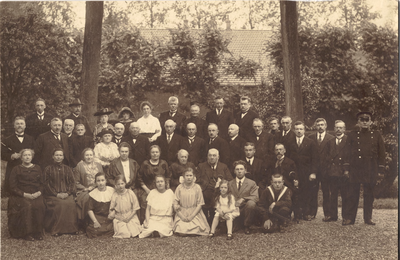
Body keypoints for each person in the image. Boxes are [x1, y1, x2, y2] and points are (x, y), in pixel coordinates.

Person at [343, 111, 385, 226]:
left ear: (371, 122)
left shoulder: (376, 134)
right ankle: (350, 219)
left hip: (370, 168)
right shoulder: (352, 134)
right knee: (352, 194)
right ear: (358, 122)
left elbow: (382, 153)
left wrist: (380, 170)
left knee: (369, 194)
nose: (365, 122)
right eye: (362, 120)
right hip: (355, 168)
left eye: (367, 120)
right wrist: (346, 169)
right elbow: (347, 152)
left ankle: (368, 218)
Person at [8, 149, 45, 241]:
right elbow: (12, 186)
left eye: (29, 155)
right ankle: (26, 233)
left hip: (35, 193)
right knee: (27, 206)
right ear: (21, 158)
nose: (27, 157)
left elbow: (42, 183)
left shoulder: (37, 168)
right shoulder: (16, 169)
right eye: (25, 155)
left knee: (39, 205)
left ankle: (37, 232)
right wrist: (24, 194)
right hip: (21, 195)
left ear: (32, 157)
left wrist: (39, 192)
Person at [43, 148, 78, 236]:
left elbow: (72, 182)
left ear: (63, 157)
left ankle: (72, 229)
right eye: (56, 155)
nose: (58, 157)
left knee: (71, 203)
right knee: (60, 205)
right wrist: (56, 194)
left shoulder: (67, 169)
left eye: (60, 155)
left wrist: (67, 193)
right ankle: (57, 230)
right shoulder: (48, 169)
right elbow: (46, 184)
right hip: (53, 195)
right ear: (53, 157)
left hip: (66, 194)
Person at [287, 121, 318, 221]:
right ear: (294, 130)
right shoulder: (290, 142)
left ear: (304, 130)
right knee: (295, 192)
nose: (299, 131)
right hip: (295, 171)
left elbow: (315, 159)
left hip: (306, 172)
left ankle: (306, 213)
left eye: (301, 129)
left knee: (307, 192)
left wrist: (313, 172)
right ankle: (297, 214)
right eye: (297, 129)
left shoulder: (310, 142)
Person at [321, 120, 349, 223]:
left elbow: (351, 156)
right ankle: (333, 215)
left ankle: (346, 216)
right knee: (333, 195)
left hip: (344, 173)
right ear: (334, 129)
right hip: (332, 173)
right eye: (337, 127)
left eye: (341, 128)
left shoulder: (348, 140)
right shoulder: (330, 142)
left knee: (345, 195)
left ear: (344, 129)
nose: (338, 130)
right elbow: (326, 157)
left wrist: (347, 170)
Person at [308, 118, 334, 220]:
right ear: (315, 126)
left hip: (326, 171)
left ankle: (327, 214)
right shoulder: (310, 137)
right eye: (318, 125)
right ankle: (312, 213)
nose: (320, 127)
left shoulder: (331, 138)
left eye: (322, 125)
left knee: (326, 192)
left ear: (326, 126)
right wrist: (312, 171)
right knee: (312, 192)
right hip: (313, 170)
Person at [1, 116, 35, 195]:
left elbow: (34, 151)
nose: (19, 125)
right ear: (14, 126)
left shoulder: (31, 139)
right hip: (13, 167)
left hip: (28, 168)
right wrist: (11, 156)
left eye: (21, 124)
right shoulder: (7, 140)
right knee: (13, 192)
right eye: (17, 124)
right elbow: (2, 154)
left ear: (25, 125)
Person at [197, 149, 233, 224]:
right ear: (207, 157)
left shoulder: (223, 166)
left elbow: (230, 179)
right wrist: (205, 185)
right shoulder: (201, 166)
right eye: (210, 155)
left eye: (214, 155)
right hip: (205, 190)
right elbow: (197, 179)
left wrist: (221, 183)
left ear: (218, 157)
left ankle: (218, 221)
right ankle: (207, 221)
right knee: (206, 195)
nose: (212, 157)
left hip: (220, 190)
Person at [173, 168, 210, 236]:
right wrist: (182, 216)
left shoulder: (197, 187)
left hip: (194, 212)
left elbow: (200, 204)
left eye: (190, 175)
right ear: (183, 177)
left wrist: (191, 216)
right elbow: (175, 203)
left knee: (196, 229)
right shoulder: (179, 187)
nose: (189, 177)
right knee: (181, 231)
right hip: (182, 211)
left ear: (193, 177)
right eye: (187, 175)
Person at [138, 145, 170, 223]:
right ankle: (147, 222)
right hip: (148, 188)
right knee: (145, 201)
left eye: (156, 152)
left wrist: (167, 188)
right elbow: (139, 178)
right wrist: (147, 190)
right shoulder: (145, 164)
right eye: (153, 152)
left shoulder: (163, 163)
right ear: (150, 153)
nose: (155, 154)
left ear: (160, 153)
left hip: (161, 188)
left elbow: (168, 176)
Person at [73, 148, 103, 229]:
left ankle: (102, 220)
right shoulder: (79, 166)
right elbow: (76, 182)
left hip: (98, 187)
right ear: (83, 156)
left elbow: (102, 178)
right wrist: (86, 188)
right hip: (85, 190)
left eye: (90, 155)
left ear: (93, 156)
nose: (89, 157)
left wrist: (96, 186)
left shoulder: (98, 165)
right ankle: (85, 222)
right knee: (87, 198)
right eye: (87, 155)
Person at [228, 160, 259, 235]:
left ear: (245, 171)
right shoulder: (229, 183)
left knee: (251, 204)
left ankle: (247, 226)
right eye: (237, 169)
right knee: (227, 229)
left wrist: (244, 199)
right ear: (234, 171)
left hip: (245, 208)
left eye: (241, 169)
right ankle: (237, 224)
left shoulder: (251, 183)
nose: (239, 171)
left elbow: (255, 197)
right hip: (233, 208)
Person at [86, 172, 115, 238]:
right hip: (98, 217)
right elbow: (89, 209)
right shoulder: (93, 194)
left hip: (109, 216)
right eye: (98, 181)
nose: (101, 183)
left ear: (106, 181)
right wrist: (95, 221)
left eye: (102, 180)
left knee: (113, 227)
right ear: (95, 182)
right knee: (93, 230)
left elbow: (117, 204)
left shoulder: (112, 191)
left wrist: (113, 212)